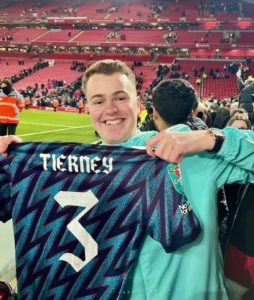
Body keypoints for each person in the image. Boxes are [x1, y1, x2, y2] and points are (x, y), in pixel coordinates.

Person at [1, 60, 254, 299]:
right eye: (98, 101)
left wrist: (212, 138)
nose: (110, 109)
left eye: (120, 98)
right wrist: (13, 161)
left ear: (138, 103)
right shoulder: (66, 171)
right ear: (88, 107)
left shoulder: (188, 148)